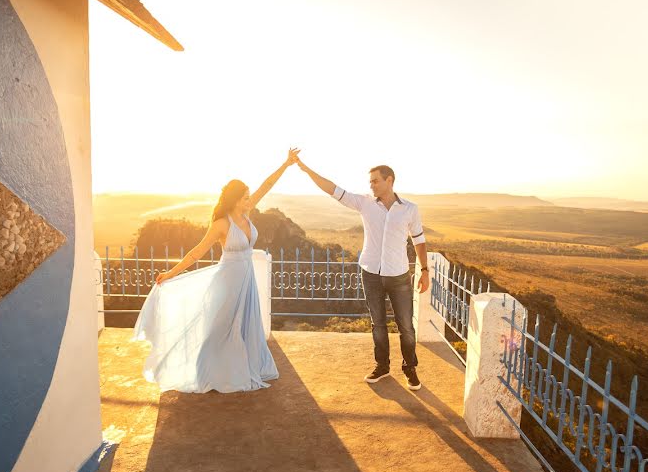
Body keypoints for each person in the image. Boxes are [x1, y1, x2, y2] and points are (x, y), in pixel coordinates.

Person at [131, 149, 300, 393]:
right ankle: (203, 371)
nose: (249, 200)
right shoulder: (221, 224)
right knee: (219, 328)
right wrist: (170, 274)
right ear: (234, 199)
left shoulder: (247, 213)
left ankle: (244, 366)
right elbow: (197, 252)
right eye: (244, 197)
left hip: (246, 278)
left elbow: (267, 185)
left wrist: (286, 164)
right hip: (228, 279)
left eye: (249, 197)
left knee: (244, 326)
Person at [296, 158, 428, 390]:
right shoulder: (365, 203)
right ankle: (382, 366)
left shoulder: (409, 209)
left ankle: (410, 368)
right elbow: (333, 189)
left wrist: (424, 270)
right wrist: (306, 169)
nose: (372, 186)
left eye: (376, 181)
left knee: (406, 325)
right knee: (378, 324)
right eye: (370, 182)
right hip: (371, 274)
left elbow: (419, 240)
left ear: (390, 180)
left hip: (398, 276)